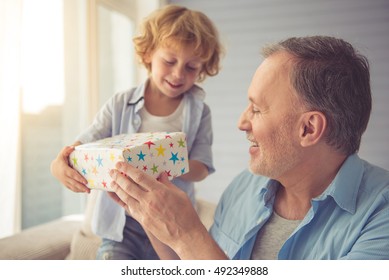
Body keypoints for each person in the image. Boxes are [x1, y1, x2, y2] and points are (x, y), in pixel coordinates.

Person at [108, 35, 389, 260]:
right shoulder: (245, 186)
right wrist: (150, 214)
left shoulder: (380, 217)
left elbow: (195, 248)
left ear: (309, 129)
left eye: (256, 109)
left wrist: (189, 235)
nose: (242, 122)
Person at [50, 4, 223, 259]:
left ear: (203, 68)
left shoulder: (199, 112)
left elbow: (202, 168)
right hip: (122, 225)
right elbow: (82, 146)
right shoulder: (120, 104)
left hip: (169, 222)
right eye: (169, 61)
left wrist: (162, 162)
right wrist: (59, 165)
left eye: (191, 67)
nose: (178, 74)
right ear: (149, 54)